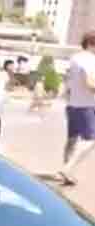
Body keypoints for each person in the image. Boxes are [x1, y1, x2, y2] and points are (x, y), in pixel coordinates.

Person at [57, 31, 95, 186]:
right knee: (91, 141)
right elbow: (90, 83)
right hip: (87, 106)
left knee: (72, 139)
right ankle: (67, 168)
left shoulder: (74, 58)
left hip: (72, 105)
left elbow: (67, 81)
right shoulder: (90, 60)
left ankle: (66, 171)